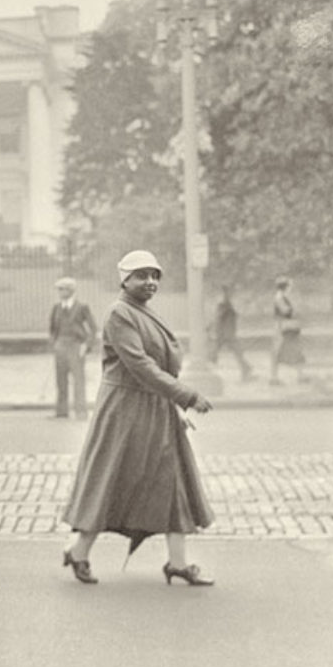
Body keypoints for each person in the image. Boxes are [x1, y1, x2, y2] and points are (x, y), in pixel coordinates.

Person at [61, 250, 215, 587]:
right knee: (112, 480)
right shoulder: (120, 313)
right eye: (141, 275)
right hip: (125, 413)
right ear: (124, 279)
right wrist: (186, 396)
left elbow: (156, 367)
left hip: (155, 408)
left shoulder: (142, 311)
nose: (150, 282)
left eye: (155, 275)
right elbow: (142, 366)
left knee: (173, 479)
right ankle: (79, 550)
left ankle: (178, 563)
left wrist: (174, 407)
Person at [48, 277, 98, 420]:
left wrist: (86, 346)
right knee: (61, 381)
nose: (59, 292)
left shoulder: (82, 307)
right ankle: (62, 412)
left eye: (62, 289)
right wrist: (54, 344)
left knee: (78, 381)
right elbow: (52, 329)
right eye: (59, 289)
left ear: (70, 290)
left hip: (76, 347)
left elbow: (93, 329)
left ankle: (81, 412)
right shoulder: (56, 308)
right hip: (61, 348)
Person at [209, 285, 253, 382]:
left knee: (233, 353)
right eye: (227, 292)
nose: (228, 294)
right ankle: (246, 369)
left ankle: (246, 369)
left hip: (227, 334)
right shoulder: (224, 305)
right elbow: (218, 319)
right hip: (225, 334)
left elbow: (219, 319)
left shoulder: (226, 305)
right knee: (215, 354)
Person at [269, 276, 305, 385]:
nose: (291, 288)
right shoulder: (280, 297)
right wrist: (296, 311)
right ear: (285, 287)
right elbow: (287, 312)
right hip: (283, 329)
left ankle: (300, 376)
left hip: (287, 328)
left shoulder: (283, 297)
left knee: (295, 351)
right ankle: (274, 378)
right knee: (279, 353)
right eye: (289, 286)